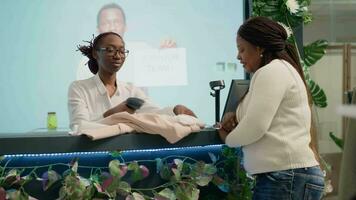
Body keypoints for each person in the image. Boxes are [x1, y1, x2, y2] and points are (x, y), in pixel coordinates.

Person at [218, 17, 325, 200]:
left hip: (285, 177)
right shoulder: (279, 70)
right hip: (287, 177)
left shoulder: (271, 71)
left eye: (242, 49)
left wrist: (227, 137)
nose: (238, 57)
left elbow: (255, 128)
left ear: (259, 47)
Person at [68, 32, 194, 130]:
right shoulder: (79, 88)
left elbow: (155, 114)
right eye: (110, 50)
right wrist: (113, 114)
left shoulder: (131, 90)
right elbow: (79, 127)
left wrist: (175, 110)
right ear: (96, 54)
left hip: (127, 156)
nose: (117, 55)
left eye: (122, 51)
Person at [76, 3, 177, 82]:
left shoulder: (142, 51)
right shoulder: (86, 62)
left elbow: (168, 70)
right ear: (98, 29)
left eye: (116, 22)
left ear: (125, 26)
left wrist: (169, 52)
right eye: (106, 23)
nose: (112, 27)